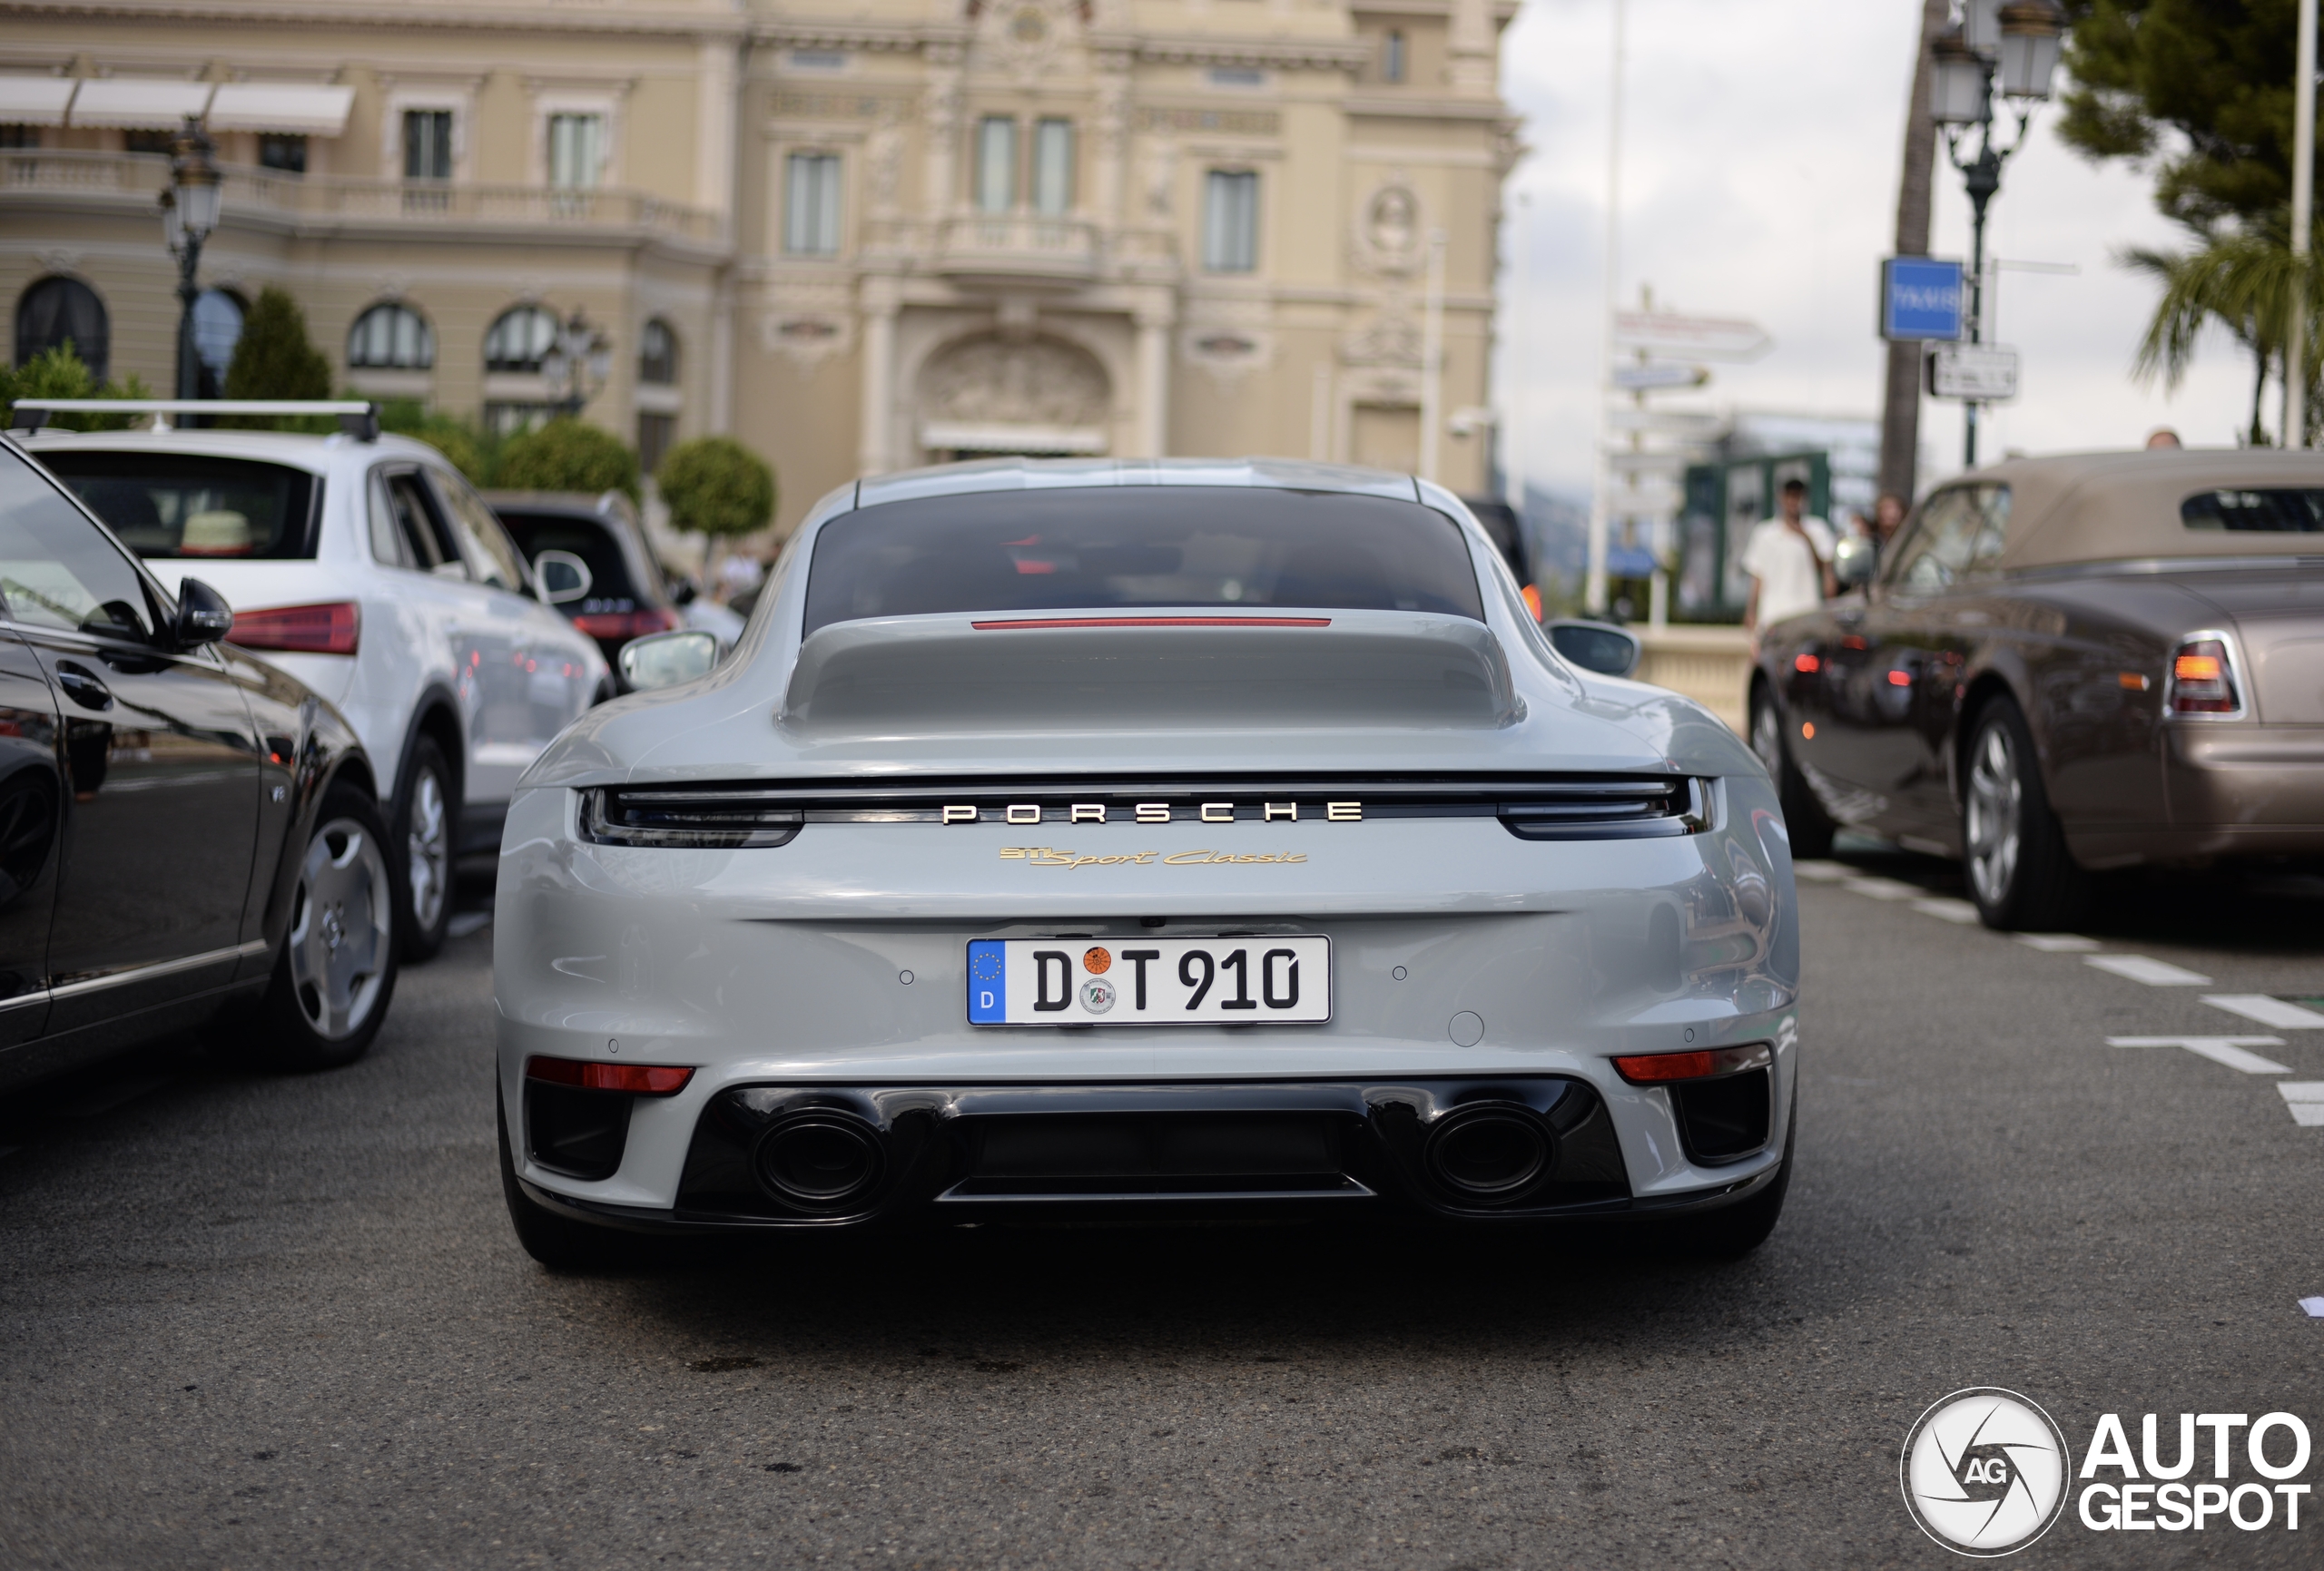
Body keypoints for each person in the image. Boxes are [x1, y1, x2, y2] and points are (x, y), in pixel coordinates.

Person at [1740, 477, 1835, 638]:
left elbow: (1825, 571)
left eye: (1798, 497)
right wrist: (1751, 611)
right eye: (1790, 496)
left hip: (1806, 613)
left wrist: (1805, 538)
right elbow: (1757, 577)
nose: (1793, 502)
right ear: (1781, 498)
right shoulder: (1764, 533)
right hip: (1773, 615)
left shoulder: (1818, 529)